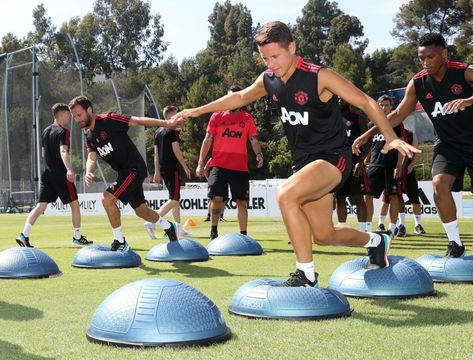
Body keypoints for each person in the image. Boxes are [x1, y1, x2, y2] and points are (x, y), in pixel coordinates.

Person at [179, 21, 418, 287]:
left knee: (285, 194)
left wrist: (392, 138)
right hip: (303, 163)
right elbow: (239, 98)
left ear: (292, 47)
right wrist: (196, 111)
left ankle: (306, 274)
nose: (270, 64)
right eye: (265, 58)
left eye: (276, 56)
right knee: (324, 235)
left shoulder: (319, 76)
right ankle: (376, 241)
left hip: (332, 157)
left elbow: (364, 101)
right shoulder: (268, 79)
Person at [353, 33, 473, 257]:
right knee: (439, 183)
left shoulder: (465, 71)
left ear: (444, 53)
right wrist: (369, 134)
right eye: (422, 58)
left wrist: (469, 100)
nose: (426, 62)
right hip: (448, 145)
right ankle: (455, 243)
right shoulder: (418, 82)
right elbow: (397, 114)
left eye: (430, 57)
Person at [69, 96, 180, 251]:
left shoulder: (109, 120)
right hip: (124, 173)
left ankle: (120, 241)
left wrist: (167, 123)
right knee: (142, 211)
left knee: (107, 199)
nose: (77, 119)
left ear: (89, 110)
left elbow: (139, 121)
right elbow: (91, 157)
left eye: (79, 115)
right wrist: (89, 170)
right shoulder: (89, 136)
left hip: (134, 168)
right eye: (74, 116)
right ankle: (169, 226)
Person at [17, 103, 93, 247]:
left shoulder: (45, 131)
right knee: (75, 204)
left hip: (47, 173)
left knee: (40, 206)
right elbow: (63, 151)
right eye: (69, 115)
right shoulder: (64, 131)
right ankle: (77, 237)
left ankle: (23, 235)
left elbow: (43, 153)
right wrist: (69, 169)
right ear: (62, 114)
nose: (70, 118)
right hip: (61, 175)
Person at [196, 85, 263, 240]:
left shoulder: (247, 118)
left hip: (240, 167)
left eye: (234, 97)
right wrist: (200, 163)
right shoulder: (217, 116)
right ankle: (213, 231)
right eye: (228, 98)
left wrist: (259, 154)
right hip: (219, 165)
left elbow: (254, 140)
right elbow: (207, 141)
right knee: (217, 198)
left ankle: (244, 236)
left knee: (241, 201)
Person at [146, 105, 192, 239]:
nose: (178, 117)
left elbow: (155, 154)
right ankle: (152, 221)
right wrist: (185, 167)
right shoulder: (171, 130)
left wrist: (157, 172)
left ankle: (179, 228)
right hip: (172, 168)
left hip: (164, 169)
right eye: (176, 115)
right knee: (174, 198)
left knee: (174, 199)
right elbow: (176, 150)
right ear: (169, 116)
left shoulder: (158, 131)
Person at [364, 95, 406, 237]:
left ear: (391, 106)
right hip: (374, 165)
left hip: (390, 166)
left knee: (393, 197)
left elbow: (401, 145)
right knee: (367, 197)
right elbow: (369, 146)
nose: (384, 108)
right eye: (381, 105)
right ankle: (368, 229)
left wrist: (399, 165)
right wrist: (366, 160)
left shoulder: (397, 124)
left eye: (386, 105)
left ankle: (392, 229)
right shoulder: (371, 124)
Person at [378, 128, 426, 236]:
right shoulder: (388, 132)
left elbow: (416, 152)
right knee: (391, 197)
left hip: (407, 171)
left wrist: (410, 166)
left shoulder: (410, 134)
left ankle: (417, 224)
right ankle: (399, 224)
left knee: (414, 198)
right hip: (392, 170)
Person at [335, 99, 371, 232]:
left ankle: (363, 231)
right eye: (336, 97)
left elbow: (368, 141)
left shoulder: (357, 117)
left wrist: (361, 161)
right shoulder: (332, 118)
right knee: (340, 198)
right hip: (338, 165)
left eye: (341, 98)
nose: (339, 100)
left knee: (358, 198)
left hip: (354, 164)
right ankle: (342, 229)